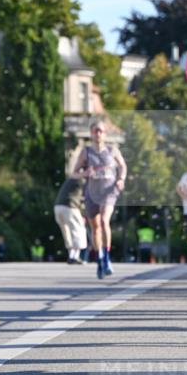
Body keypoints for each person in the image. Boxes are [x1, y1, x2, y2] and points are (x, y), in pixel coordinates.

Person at [72, 118, 127, 279]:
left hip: (109, 191)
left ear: (105, 134)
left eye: (100, 131)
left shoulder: (112, 150)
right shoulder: (86, 152)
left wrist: (121, 178)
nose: (98, 134)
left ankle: (108, 258)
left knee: (104, 221)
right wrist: (84, 173)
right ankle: (100, 259)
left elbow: (123, 166)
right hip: (91, 193)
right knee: (95, 227)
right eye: (95, 131)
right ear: (91, 133)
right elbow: (74, 173)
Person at [54, 175, 87, 264]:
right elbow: (84, 199)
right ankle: (75, 256)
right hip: (70, 207)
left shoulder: (71, 179)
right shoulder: (83, 181)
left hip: (58, 207)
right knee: (78, 230)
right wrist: (83, 214)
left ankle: (70, 255)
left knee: (67, 232)